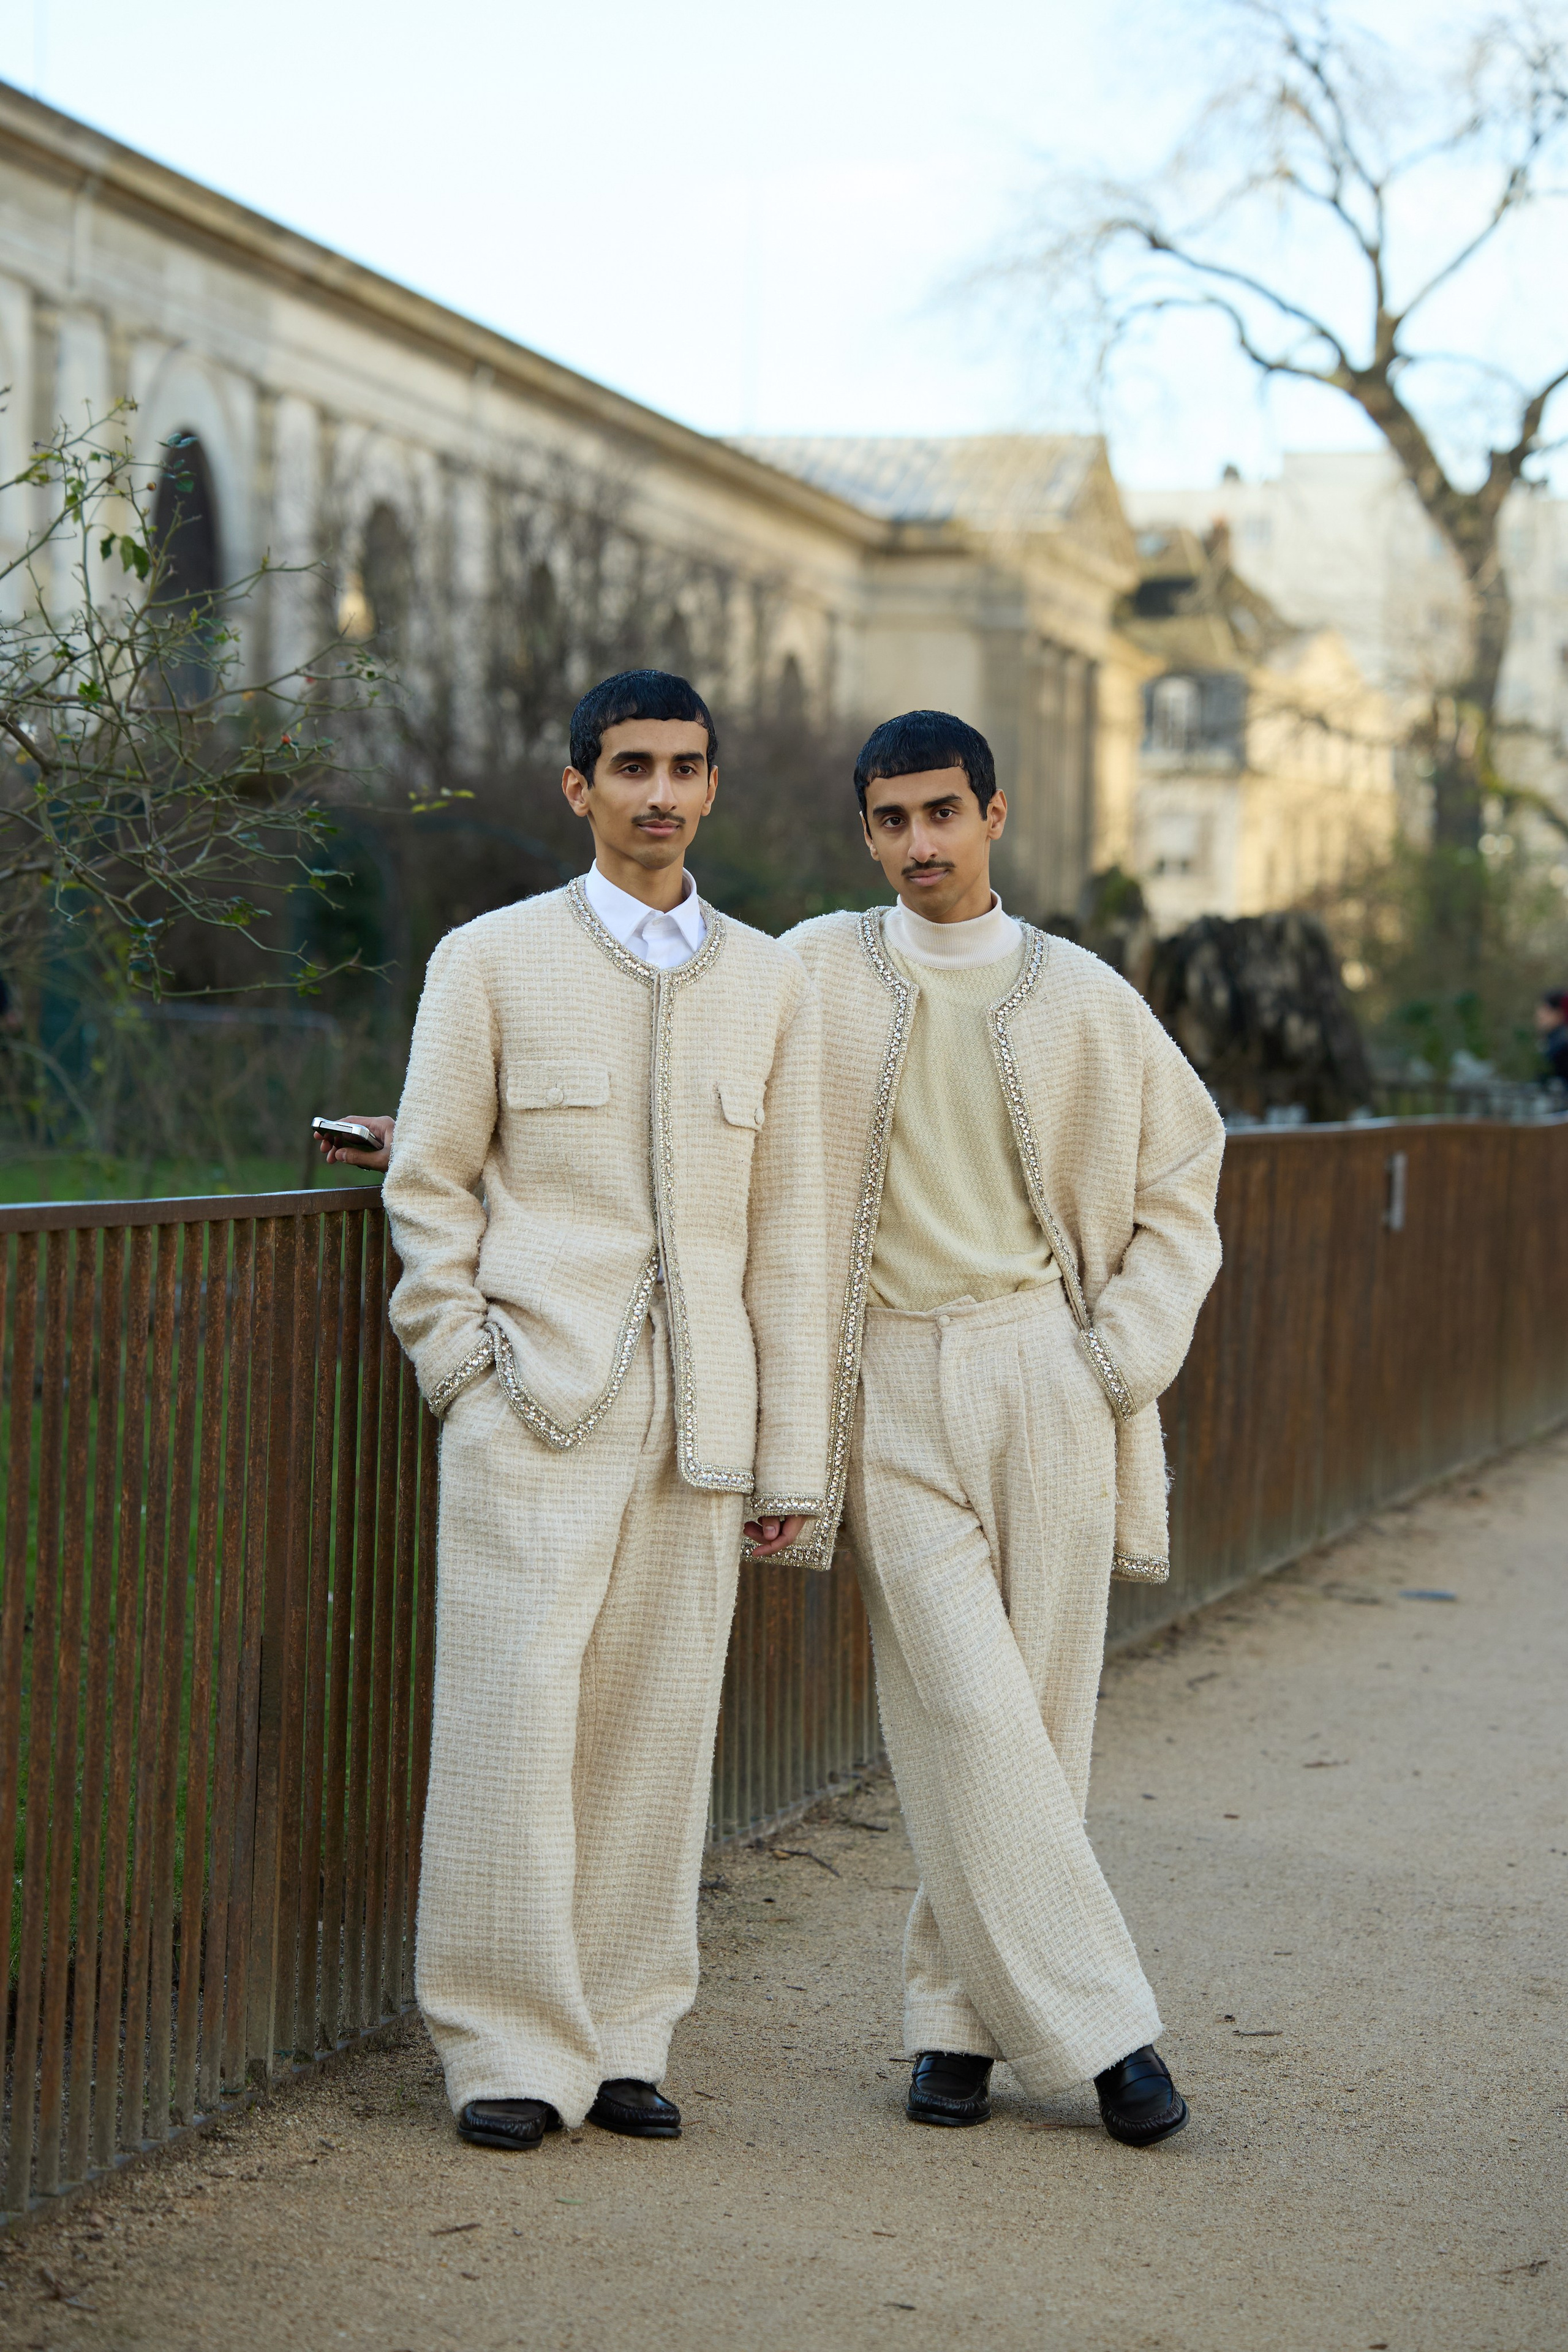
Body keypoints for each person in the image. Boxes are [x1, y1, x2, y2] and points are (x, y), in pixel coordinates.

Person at [375, 669, 828, 2154]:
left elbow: (790, 1229)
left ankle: (626, 2030)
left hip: (701, 1419)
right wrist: (459, 1365)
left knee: (655, 1728)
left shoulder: (769, 979)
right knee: (511, 1717)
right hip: (533, 1401)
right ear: (577, 786)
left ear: (711, 787)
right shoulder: (489, 959)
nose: (656, 791)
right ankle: (504, 2041)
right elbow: (428, 1180)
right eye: (628, 765)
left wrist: (786, 1447)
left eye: (682, 766)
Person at [780, 710, 1224, 2149]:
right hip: (886, 1383)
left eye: (942, 813)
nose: (919, 842)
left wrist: (1117, 1355)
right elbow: (684, 1096)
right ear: (864, 831)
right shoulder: (809, 971)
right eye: (892, 818)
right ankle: (1110, 2041)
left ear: (993, 814)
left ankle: (949, 2027)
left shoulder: (1083, 993)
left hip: (1046, 1372)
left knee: (1035, 1725)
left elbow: (1182, 1176)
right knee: (962, 1708)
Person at [1534, 989, 1568, 1087]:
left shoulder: (1561, 1047)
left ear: (1560, 1014)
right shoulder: (1553, 1041)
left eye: (1546, 1009)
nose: (1539, 1014)